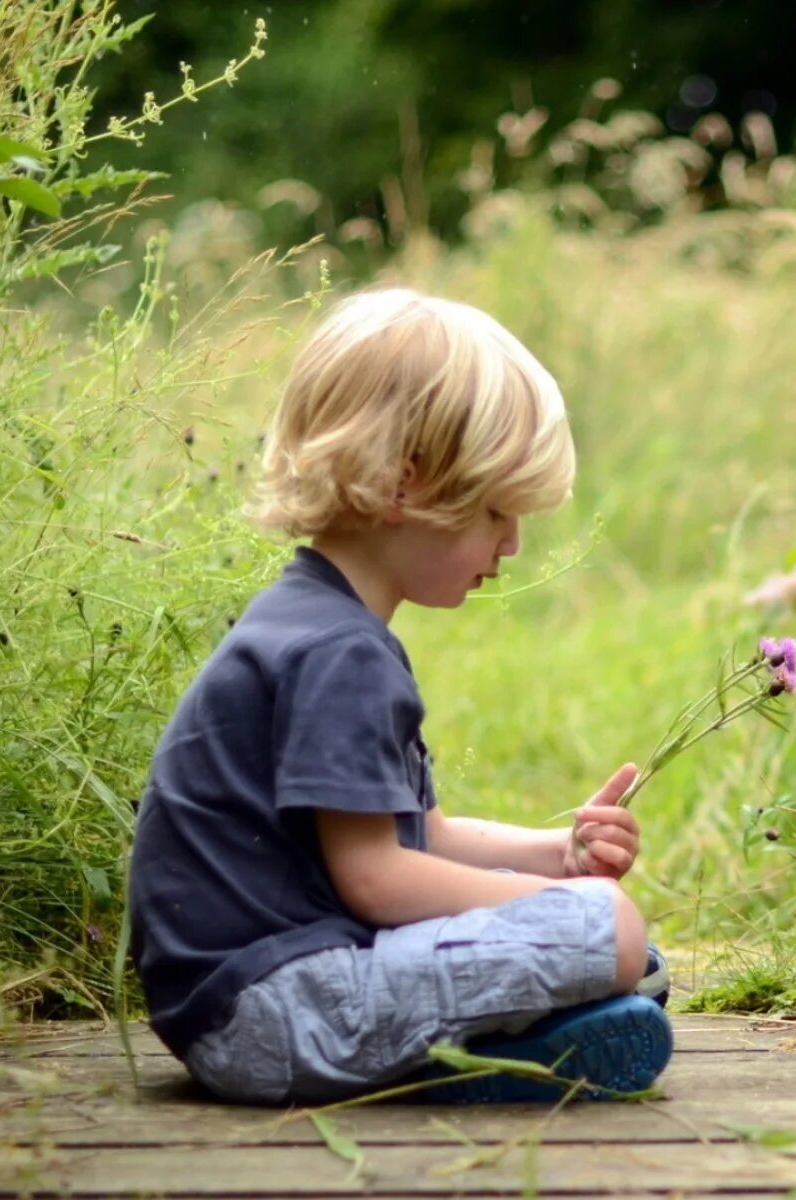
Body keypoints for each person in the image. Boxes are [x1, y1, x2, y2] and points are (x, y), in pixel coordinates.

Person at [127, 288, 673, 1106]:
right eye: (497, 511)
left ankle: (520, 1042)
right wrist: (575, 903)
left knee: (624, 949)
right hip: (274, 1012)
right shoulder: (340, 651)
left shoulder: (317, 623)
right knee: (610, 932)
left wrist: (553, 857)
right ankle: (480, 1062)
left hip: (247, 1004)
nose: (514, 543)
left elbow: (424, 836)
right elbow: (377, 881)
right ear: (402, 486)